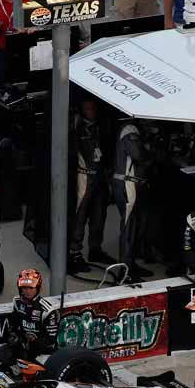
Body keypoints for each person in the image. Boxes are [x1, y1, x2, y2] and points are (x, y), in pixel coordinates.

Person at [69, 99, 113, 274]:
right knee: (80, 215)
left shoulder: (101, 126)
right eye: (88, 108)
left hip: (100, 178)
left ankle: (95, 249)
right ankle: (75, 252)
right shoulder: (76, 127)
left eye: (93, 107)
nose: (92, 111)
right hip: (84, 177)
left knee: (99, 215)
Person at [113, 120, 154, 281]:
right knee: (128, 228)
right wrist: (151, 151)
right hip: (127, 183)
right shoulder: (130, 129)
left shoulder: (134, 130)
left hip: (132, 183)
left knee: (134, 227)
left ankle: (130, 264)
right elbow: (138, 156)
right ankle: (124, 272)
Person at [0, 268, 58, 366]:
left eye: (31, 288)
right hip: (23, 347)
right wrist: (14, 335)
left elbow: (51, 340)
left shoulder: (47, 310)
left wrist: (33, 342)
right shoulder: (17, 302)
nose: (27, 291)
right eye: (24, 288)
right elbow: (13, 324)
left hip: (42, 352)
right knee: (4, 351)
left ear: (37, 288)